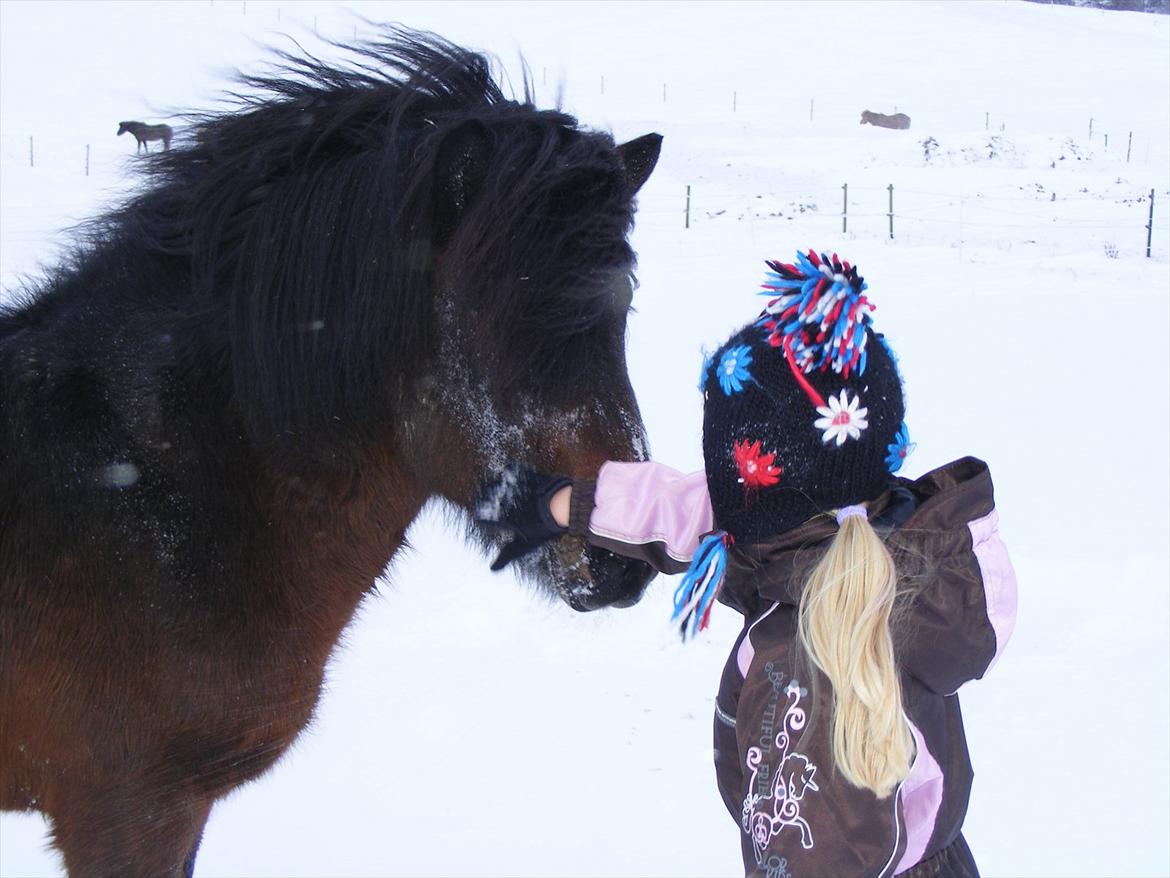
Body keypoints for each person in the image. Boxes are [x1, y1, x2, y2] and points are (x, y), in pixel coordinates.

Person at [476, 249, 1017, 878]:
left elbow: (812, 859)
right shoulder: (873, 529)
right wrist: (563, 503)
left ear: (761, 504)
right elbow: (693, 506)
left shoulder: (811, 675)